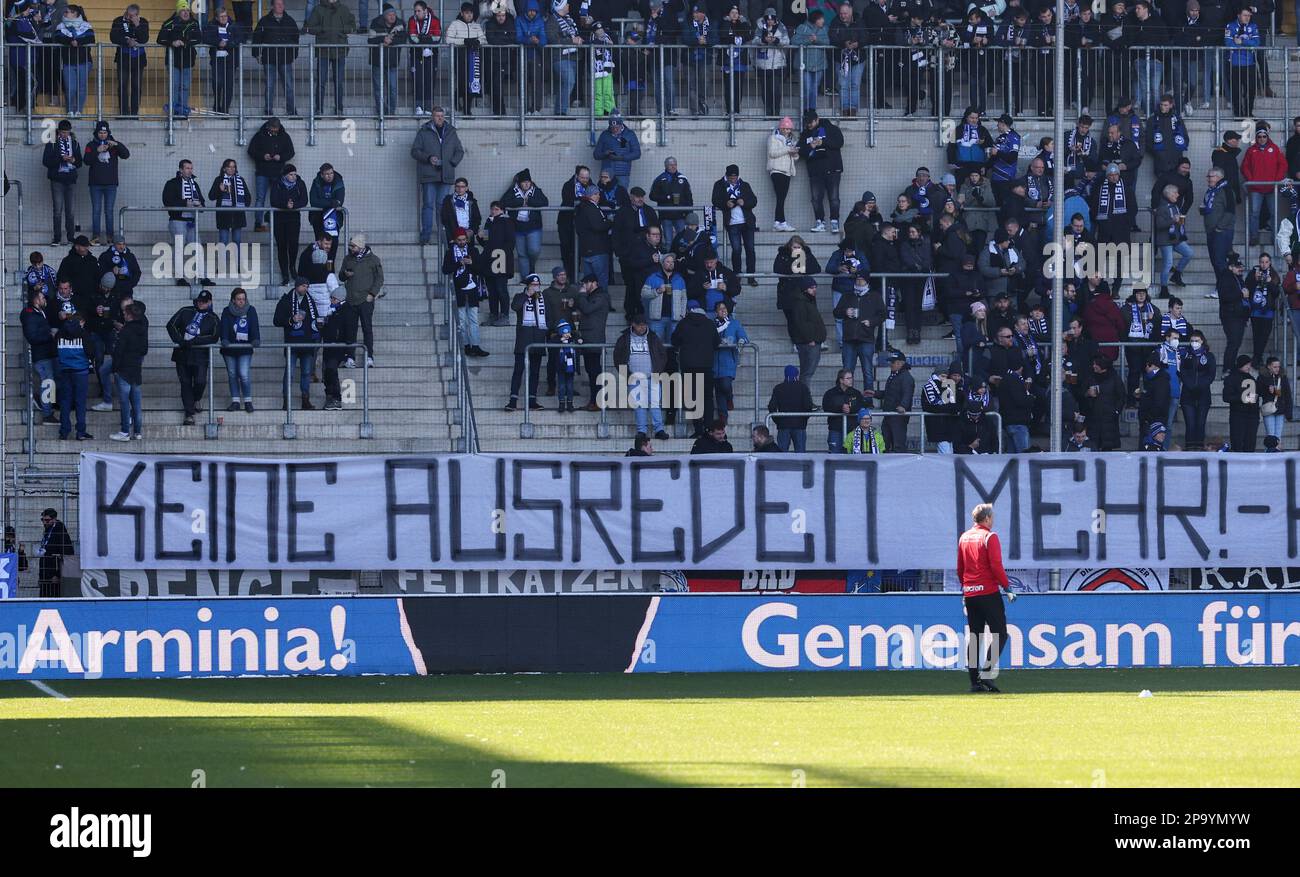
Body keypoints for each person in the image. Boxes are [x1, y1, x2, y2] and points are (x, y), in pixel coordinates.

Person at [956, 503, 1014, 693]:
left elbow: (960, 568)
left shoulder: (964, 537)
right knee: (1000, 633)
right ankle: (987, 673)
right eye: (992, 517)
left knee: (975, 636)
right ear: (987, 518)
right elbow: (996, 566)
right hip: (988, 592)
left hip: (971, 594)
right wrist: (1007, 587)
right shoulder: (990, 537)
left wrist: (966, 589)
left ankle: (974, 682)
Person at [411, 107, 465, 245]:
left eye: (442, 115)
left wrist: (451, 163)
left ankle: (443, 236)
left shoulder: (451, 132)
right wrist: (428, 158)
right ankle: (425, 236)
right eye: (436, 115)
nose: (440, 118)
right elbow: (415, 151)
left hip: (446, 175)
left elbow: (459, 151)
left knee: (442, 207)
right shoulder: (424, 131)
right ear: (432, 117)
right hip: (429, 175)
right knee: (428, 205)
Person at [613, 313, 671, 440]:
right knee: (639, 405)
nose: (642, 328)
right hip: (634, 378)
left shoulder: (653, 337)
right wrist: (627, 375)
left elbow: (662, 355)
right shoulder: (624, 338)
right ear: (633, 325)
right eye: (640, 325)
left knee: (655, 403)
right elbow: (617, 358)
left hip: (652, 376)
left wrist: (658, 371)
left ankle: (659, 430)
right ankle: (642, 431)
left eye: (644, 325)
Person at [167, 289, 220, 424]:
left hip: (200, 357)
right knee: (185, 383)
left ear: (210, 302)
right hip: (182, 355)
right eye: (200, 301)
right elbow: (171, 325)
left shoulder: (213, 318)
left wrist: (195, 341)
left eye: (205, 301)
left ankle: (196, 399)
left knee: (200, 381)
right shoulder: (185, 311)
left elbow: (214, 337)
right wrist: (181, 341)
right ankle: (189, 413)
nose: (201, 304)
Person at [506, 274, 556, 411]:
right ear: (528, 285)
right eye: (533, 285)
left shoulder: (544, 298)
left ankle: (532, 400)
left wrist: (545, 332)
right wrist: (527, 295)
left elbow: (549, 317)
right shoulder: (519, 296)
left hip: (538, 340)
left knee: (535, 372)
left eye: (537, 285)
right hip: (523, 341)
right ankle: (513, 400)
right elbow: (515, 307)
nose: (536, 287)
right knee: (518, 371)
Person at [162, 159, 213, 287]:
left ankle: (202, 276)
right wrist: (185, 203)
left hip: (191, 221)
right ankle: (180, 278)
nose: (190, 171)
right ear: (180, 169)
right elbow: (167, 201)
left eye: (191, 168)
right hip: (178, 221)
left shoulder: (194, 184)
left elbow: (202, 200)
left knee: (198, 249)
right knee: (179, 249)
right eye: (187, 168)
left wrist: (200, 205)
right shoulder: (171, 183)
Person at [273, 278, 322, 411]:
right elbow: (276, 320)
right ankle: (286, 401)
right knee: (289, 373)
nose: (305, 289)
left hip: (307, 344)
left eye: (307, 286)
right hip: (292, 344)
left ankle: (305, 400)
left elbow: (315, 318)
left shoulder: (310, 300)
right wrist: (291, 320)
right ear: (296, 286)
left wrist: (318, 325)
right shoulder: (286, 300)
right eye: (303, 286)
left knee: (306, 373)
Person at [672, 305, 721, 435]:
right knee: (708, 398)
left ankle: (698, 429)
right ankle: (709, 429)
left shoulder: (683, 323)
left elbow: (674, 340)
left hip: (688, 366)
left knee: (692, 398)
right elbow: (717, 342)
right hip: (706, 366)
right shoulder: (710, 324)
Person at [304, 0, 354, 117]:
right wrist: (323, 29)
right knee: (321, 82)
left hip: (339, 50)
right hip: (323, 51)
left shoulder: (344, 9)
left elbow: (353, 26)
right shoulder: (318, 9)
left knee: (339, 83)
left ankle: (339, 109)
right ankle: (319, 109)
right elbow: (309, 27)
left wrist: (342, 28)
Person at [798, 108, 844, 233]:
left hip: (832, 168)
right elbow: (801, 151)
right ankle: (820, 222)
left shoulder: (831, 128)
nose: (809, 125)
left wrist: (823, 142)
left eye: (811, 122)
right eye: (807, 122)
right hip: (815, 171)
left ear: (817, 119)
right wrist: (810, 146)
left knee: (834, 198)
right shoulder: (805, 134)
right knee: (815, 198)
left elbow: (839, 142)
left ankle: (835, 222)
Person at [83, 121, 129, 246]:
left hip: (111, 184)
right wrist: (97, 151)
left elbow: (126, 155)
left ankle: (110, 236)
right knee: (96, 210)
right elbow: (86, 161)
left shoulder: (113, 145)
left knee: (109, 210)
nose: (103, 135)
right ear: (96, 133)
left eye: (105, 132)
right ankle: (96, 236)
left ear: (108, 133)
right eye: (100, 133)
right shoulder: (91, 145)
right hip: (95, 184)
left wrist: (117, 144)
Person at [340, 233, 383, 365]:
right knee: (350, 329)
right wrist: (345, 274)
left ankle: (369, 356)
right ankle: (350, 357)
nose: (351, 248)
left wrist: (372, 294)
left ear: (360, 246)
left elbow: (379, 278)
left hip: (365, 300)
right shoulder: (348, 259)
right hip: (351, 300)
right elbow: (341, 276)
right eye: (350, 246)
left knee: (367, 328)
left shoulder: (373, 260)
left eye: (353, 246)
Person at [1242, 122, 1287, 244]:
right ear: (1256, 138)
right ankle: (1254, 237)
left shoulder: (1275, 148)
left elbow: (1283, 165)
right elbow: (1244, 167)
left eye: (1264, 136)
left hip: (1272, 188)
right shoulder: (1251, 151)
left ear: (1267, 137)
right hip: (1256, 189)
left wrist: (1276, 180)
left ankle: (1275, 239)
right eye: (1259, 136)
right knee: (1254, 213)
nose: (1262, 139)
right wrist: (1251, 180)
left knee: (1274, 214)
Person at [252, 0, 300, 117]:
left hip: (285, 59)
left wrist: (293, 54)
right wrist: (257, 54)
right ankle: (268, 110)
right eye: (278, 4)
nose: (280, 6)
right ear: (272, 6)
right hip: (269, 58)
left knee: (288, 86)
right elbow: (257, 38)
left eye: (282, 4)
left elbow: (296, 39)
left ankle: (291, 111)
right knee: (269, 85)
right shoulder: (264, 21)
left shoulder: (290, 20)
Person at [247, 117, 295, 231]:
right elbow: (251, 151)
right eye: (272, 129)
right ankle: (258, 224)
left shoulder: (284, 136)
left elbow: (291, 152)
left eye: (276, 129)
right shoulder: (259, 136)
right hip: (262, 172)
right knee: (260, 199)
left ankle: (277, 223)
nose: (274, 131)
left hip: (278, 173)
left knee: (278, 198)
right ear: (268, 126)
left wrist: (281, 157)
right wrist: (263, 156)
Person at [501, 168, 548, 284]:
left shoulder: (536, 191)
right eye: (524, 182)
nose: (526, 184)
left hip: (533, 228)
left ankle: (532, 268)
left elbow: (544, 202)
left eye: (528, 182)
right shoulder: (512, 191)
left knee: (534, 250)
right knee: (522, 254)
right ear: (519, 183)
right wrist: (521, 202)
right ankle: (525, 279)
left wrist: (529, 201)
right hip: (517, 228)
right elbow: (503, 202)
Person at [110, 300, 148, 440]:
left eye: (125, 313)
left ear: (129, 315)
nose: (123, 315)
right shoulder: (143, 330)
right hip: (136, 369)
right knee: (137, 404)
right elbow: (144, 349)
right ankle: (137, 432)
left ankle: (125, 431)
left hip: (124, 370)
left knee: (125, 402)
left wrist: (115, 368)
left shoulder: (125, 330)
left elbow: (118, 351)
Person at [219, 288, 260, 412]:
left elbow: (254, 325)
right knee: (232, 375)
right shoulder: (226, 311)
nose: (241, 301)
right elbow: (224, 327)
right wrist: (224, 339)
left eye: (243, 299)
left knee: (243, 374)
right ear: (233, 300)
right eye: (238, 299)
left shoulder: (251, 310)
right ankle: (235, 401)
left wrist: (255, 339)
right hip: (229, 349)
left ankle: (248, 401)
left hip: (245, 348)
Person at [22, 290, 60, 425]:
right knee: (48, 382)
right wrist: (50, 335)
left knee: (52, 381)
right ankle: (47, 414)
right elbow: (32, 337)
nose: (45, 300)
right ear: (36, 300)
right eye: (43, 297)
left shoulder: (39, 313)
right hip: (42, 356)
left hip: (48, 354)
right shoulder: (30, 315)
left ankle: (45, 404)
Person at [157, 0, 200, 118]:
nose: (186, 13)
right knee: (174, 86)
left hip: (188, 60)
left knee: (185, 86)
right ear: (178, 12)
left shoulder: (194, 23)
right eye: (183, 10)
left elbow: (198, 39)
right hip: (173, 61)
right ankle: (173, 111)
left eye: (187, 10)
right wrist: (172, 42)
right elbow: (160, 39)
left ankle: (182, 110)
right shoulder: (169, 23)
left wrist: (184, 42)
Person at [42, 119, 82, 247]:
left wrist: (73, 160)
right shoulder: (52, 143)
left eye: (67, 132)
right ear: (58, 132)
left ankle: (71, 237)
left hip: (70, 180)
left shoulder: (75, 143)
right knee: (57, 211)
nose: (65, 135)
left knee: (70, 211)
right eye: (63, 132)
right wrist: (60, 158)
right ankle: (57, 238)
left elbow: (80, 162)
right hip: (57, 180)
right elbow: (46, 161)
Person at [55, 312, 92, 440]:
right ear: (79, 322)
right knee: (80, 402)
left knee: (65, 402)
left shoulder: (60, 333)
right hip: (81, 371)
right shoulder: (84, 335)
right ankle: (80, 432)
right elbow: (91, 351)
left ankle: (64, 431)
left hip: (65, 371)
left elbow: (55, 350)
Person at [443, 2, 484, 116]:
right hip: (459, 56)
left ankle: (467, 109)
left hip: (473, 57)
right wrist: (464, 42)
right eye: (466, 13)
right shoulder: (455, 24)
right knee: (462, 82)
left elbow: (483, 39)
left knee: (472, 83)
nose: (469, 15)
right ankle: (457, 96)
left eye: (471, 13)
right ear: (462, 13)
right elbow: (448, 39)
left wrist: (477, 42)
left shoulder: (476, 25)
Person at [202, 6, 244, 115]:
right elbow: (205, 38)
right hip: (217, 59)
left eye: (225, 16)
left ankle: (225, 110)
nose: (224, 18)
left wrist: (228, 44)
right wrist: (218, 42)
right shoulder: (211, 26)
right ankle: (217, 103)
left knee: (228, 85)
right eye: (221, 17)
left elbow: (240, 38)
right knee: (217, 82)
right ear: (216, 18)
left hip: (231, 60)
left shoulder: (234, 25)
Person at [270, 164, 307, 286]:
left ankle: (292, 267)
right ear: (285, 175)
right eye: (291, 174)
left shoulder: (300, 184)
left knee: (293, 244)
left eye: (295, 174)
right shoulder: (277, 183)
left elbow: (304, 200)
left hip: (294, 219)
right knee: (282, 245)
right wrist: (285, 205)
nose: (293, 177)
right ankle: (284, 273)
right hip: (279, 219)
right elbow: (273, 200)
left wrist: (294, 205)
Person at [110, 5, 150, 116]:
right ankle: (123, 112)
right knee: (122, 85)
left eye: (131, 15)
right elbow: (113, 37)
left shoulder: (143, 22)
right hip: (123, 58)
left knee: (136, 86)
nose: (128, 17)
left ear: (137, 15)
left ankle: (134, 113)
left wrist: (137, 25)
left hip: (138, 59)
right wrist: (127, 41)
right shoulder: (118, 21)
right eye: (127, 13)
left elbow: (144, 38)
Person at [1180, 329, 1216, 447]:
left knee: (1200, 424)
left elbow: (1211, 374)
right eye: (1192, 341)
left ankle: (1199, 449)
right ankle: (1189, 448)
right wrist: (1190, 384)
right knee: (1190, 424)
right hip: (1187, 394)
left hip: (1203, 394)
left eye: (1197, 340)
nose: (1194, 342)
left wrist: (1201, 385)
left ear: (1202, 341)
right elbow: (1183, 372)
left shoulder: (1209, 356)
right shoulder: (1185, 355)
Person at [713, 300, 748, 415]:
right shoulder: (712, 324)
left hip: (728, 360)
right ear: (716, 312)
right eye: (720, 309)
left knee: (725, 385)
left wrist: (740, 341)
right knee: (718, 390)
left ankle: (729, 397)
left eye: (725, 308)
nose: (723, 310)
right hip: (714, 363)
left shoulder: (734, 323)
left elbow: (743, 337)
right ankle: (723, 418)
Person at [209, 158, 251, 252]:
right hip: (224, 215)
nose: (232, 169)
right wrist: (219, 190)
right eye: (229, 167)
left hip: (238, 215)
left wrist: (243, 207)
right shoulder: (219, 179)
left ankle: (238, 265)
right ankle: (221, 265)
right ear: (224, 169)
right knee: (223, 241)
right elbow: (211, 196)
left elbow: (248, 196)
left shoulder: (240, 180)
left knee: (237, 241)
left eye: (234, 167)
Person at [768, 364, 813, 451]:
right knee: (800, 453)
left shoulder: (778, 388)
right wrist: (804, 419)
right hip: (800, 424)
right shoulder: (803, 387)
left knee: (782, 453)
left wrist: (778, 420)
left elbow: (772, 406)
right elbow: (808, 406)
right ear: (797, 375)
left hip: (783, 424)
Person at [593, 111, 641, 193]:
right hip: (607, 174)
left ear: (621, 124)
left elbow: (637, 153)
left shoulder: (629, 134)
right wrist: (605, 153)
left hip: (622, 173)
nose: (614, 129)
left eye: (617, 127)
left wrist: (621, 157)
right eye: (612, 128)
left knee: (621, 196)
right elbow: (596, 155)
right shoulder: (605, 135)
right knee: (605, 196)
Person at [308, 163, 345, 268]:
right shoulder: (316, 182)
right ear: (321, 175)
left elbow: (339, 201)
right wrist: (330, 203)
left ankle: (329, 270)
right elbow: (314, 201)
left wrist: (326, 202)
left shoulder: (338, 182)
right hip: (318, 219)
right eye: (327, 174)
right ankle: (320, 270)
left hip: (334, 219)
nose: (330, 176)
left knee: (332, 245)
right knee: (320, 245)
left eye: (331, 173)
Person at [767, 118, 799, 232]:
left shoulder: (790, 140)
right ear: (780, 128)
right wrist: (787, 149)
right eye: (785, 128)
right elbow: (772, 153)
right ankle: (781, 222)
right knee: (780, 197)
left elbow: (794, 158)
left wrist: (794, 153)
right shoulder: (773, 138)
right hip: (777, 171)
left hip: (787, 172)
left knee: (782, 198)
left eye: (789, 129)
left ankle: (778, 222)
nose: (787, 131)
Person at [822, 368, 865, 452]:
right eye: (848, 378)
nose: (851, 380)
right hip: (835, 429)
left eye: (851, 378)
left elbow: (861, 406)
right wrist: (840, 408)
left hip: (852, 430)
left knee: (853, 457)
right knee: (835, 456)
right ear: (841, 380)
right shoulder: (830, 393)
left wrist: (850, 409)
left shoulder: (856, 393)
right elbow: (826, 407)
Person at [878, 351, 914, 452]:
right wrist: (875, 394)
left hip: (898, 416)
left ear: (900, 363)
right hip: (890, 413)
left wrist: (903, 406)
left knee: (898, 444)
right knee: (885, 443)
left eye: (893, 362)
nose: (891, 364)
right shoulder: (895, 375)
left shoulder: (906, 377)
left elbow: (908, 393)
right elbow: (890, 393)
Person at [1224, 354, 1261, 451]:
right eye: (1246, 364)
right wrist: (1242, 398)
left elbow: (1255, 396)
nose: (1249, 367)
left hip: (1252, 415)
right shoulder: (1231, 378)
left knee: (1250, 443)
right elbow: (1226, 397)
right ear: (1240, 365)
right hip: (1238, 415)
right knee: (1237, 443)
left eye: (1249, 364)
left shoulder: (1252, 378)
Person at [36, 508, 74, 599]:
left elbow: (68, 554)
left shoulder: (60, 531)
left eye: (47, 520)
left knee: (53, 599)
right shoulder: (47, 531)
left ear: (54, 519)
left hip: (53, 575)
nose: (44, 523)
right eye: (43, 520)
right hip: (45, 574)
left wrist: (58, 574)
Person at [1260, 356, 1291, 450]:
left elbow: (1287, 395)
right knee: (1270, 435)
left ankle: (1276, 456)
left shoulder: (1283, 377)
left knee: (1278, 436)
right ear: (1269, 366)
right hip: (1269, 409)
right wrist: (1267, 390)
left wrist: (1289, 412)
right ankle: (1269, 454)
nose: (1277, 369)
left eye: (1278, 366)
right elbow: (1258, 392)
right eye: (1275, 367)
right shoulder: (1262, 377)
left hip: (1280, 409)